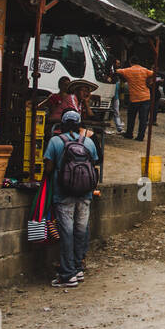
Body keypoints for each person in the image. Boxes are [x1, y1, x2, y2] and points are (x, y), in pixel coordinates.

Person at [43, 110, 98, 288]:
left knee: (66, 232)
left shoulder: (55, 141)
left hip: (63, 194)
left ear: (63, 124)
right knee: (81, 229)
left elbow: (49, 168)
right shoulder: (88, 142)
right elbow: (95, 163)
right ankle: (78, 268)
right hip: (85, 194)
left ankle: (67, 275)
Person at [115, 56, 155, 141]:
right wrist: (149, 81)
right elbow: (153, 73)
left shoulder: (128, 70)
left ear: (130, 62)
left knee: (131, 117)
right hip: (145, 97)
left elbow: (117, 71)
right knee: (143, 119)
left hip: (134, 98)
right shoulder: (144, 70)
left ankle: (129, 133)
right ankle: (141, 136)